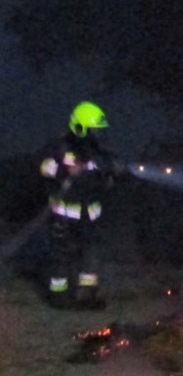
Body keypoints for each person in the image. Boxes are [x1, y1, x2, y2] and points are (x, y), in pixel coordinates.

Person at [38, 101, 117, 309]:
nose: (98, 134)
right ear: (81, 128)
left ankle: (87, 295)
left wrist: (110, 171)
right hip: (64, 214)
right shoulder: (59, 147)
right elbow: (45, 169)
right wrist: (66, 171)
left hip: (90, 215)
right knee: (61, 257)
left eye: (99, 130)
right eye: (94, 129)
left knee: (90, 255)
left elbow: (105, 175)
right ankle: (59, 298)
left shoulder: (99, 152)